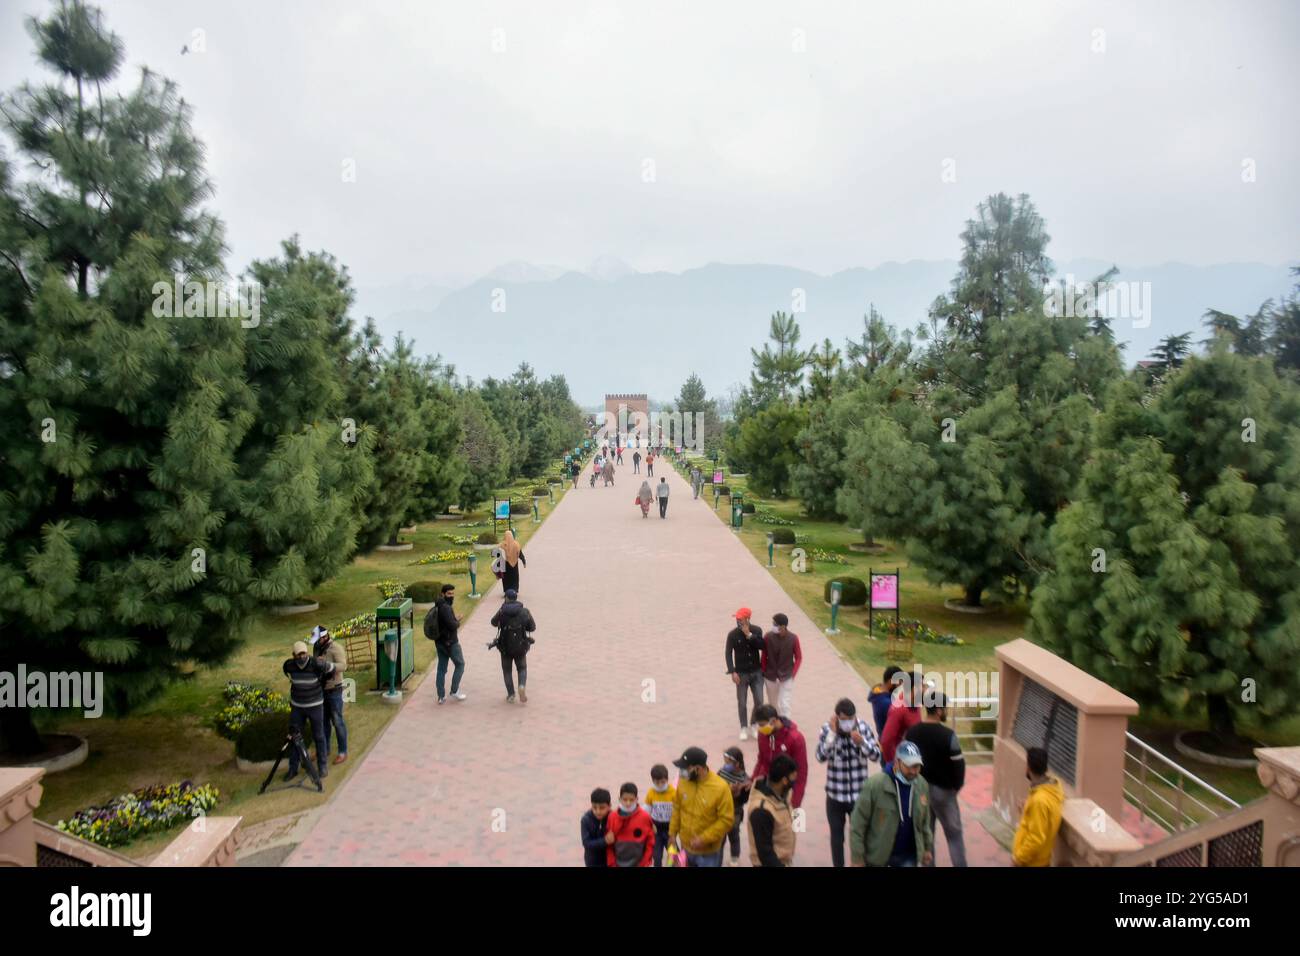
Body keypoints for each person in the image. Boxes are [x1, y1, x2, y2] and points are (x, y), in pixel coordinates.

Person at [816, 697, 881, 867]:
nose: (847, 724)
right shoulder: (827, 729)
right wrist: (832, 735)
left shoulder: (863, 728)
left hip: (859, 796)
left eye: (850, 719)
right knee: (837, 838)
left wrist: (862, 743)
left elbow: (876, 756)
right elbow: (820, 756)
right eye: (843, 720)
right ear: (836, 717)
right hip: (835, 795)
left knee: (860, 836)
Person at [849, 740, 933, 867]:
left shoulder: (922, 785)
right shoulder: (875, 785)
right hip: (879, 858)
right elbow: (857, 824)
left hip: (909, 858)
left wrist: (927, 847)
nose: (914, 771)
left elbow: (925, 821)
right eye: (909, 766)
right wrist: (857, 858)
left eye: (917, 766)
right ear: (897, 762)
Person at [906, 693, 967, 866]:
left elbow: (905, 763)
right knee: (954, 836)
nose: (946, 711)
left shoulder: (912, 733)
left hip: (920, 792)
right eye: (945, 708)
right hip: (944, 793)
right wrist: (956, 787)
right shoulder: (949, 735)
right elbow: (959, 766)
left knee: (927, 836)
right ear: (939, 710)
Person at [668, 746, 734, 867]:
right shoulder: (683, 782)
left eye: (685, 768)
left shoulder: (721, 788)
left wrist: (704, 839)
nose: (682, 772)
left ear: (697, 768)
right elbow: (677, 807)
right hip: (686, 848)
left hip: (708, 853)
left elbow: (726, 820)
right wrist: (672, 833)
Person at [282, 640, 335, 781]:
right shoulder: (289, 665)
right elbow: (286, 672)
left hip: (315, 706)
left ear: (307, 652)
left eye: (303, 653)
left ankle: (322, 766)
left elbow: (332, 669)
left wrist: (324, 669)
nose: (301, 656)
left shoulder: (315, 664)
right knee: (294, 737)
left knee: (319, 736)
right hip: (297, 707)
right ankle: (293, 768)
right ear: (293, 655)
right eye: (298, 654)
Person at [1012, 746, 1065, 867]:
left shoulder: (1039, 801)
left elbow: (1036, 838)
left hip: (1031, 863)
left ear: (1028, 768)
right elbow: (1043, 817)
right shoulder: (1054, 787)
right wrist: (1027, 808)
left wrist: (1017, 859)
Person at [750, 703, 808, 811]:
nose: (760, 729)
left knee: (796, 826)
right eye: (759, 725)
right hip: (769, 788)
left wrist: (795, 802)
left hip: (789, 790)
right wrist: (753, 780)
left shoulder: (796, 739)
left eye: (762, 725)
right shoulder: (763, 735)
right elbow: (761, 760)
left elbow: (801, 773)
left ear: (773, 721)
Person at [747, 753, 799, 867]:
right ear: (784, 781)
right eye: (794, 777)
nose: (796, 780)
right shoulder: (761, 811)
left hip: (784, 860)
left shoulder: (784, 793)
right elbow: (765, 854)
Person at [725, 608, 765, 740]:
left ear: (748, 619)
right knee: (742, 702)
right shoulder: (732, 634)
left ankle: (753, 724)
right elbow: (728, 653)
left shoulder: (757, 630)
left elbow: (761, 646)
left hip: (756, 672)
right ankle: (743, 727)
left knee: (759, 700)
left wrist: (749, 635)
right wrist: (732, 671)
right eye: (737, 619)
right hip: (741, 674)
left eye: (740, 619)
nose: (738, 621)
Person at [311, 626, 348, 766]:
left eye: (318, 639)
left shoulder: (335, 648)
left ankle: (343, 751)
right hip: (321, 689)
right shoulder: (316, 647)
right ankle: (324, 750)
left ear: (325, 637)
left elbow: (343, 666)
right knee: (323, 721)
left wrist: (327, 665)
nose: (317, 642)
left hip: (334, 690)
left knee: (337, 722)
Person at [490, 588, 536, 703]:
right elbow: (532, 627)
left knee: (507, 671)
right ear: (516, 598)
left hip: (505, 647)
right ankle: (521, 686)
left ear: (506, 598)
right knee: (522, 668)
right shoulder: (525, 611)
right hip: (521, 646)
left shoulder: (502, 612)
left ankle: (511, 695)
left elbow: (493, 622)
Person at [760, 613, 802, 718]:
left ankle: (786, 727)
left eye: (775, 624)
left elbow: (799, 657)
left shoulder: (793, 638)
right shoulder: (768, 637)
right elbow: (764, 655)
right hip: (770, 676)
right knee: (773, 704)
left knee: (784, 703)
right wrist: (763, 671)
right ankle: (775, 723)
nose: (773, 625)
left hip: (787, 676)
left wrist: (793, 674)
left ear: (783, 626)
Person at [432, 584, 467, 704]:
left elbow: (445, 622)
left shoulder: (438, 605)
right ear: (443, 594)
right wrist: (457, 620)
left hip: (440, 642)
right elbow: (452, 625)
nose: (451, 596)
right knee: (460, 664)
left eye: (452, 593)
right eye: (449, 594)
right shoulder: (446, 608)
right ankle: (454, 690)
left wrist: (453, 619)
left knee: (441, 669)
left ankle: (441, 696)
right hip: (450, 643)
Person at [880, 670, 923, 769]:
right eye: (923, 687)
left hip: (911, 759)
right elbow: (886, 740)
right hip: (900, 764)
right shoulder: (899, 709)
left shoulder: (915, 704)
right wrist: (893, 764)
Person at [605, 783, 655, 867]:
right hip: (617, 863)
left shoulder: (645, 817)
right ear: (619, 799)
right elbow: (609, 844)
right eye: (625, 799)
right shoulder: (612, 817)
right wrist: (612, 863)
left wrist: (645, 862)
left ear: (637, 799)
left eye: (631, 800)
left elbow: (650, 842)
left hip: (639, 864)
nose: (628, 803)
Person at [718, 747, 751, 867]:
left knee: (734, 836)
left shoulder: (744, 778)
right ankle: (718, 861)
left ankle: (734, 859)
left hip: (735, 812)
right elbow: (716, 785)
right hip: (721, 811)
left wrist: (739, 792)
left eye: (728, 762)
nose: (725, 765)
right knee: (720, 838)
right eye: (725, 761)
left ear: (737, 763)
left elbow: (745, 799)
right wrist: (727, 789)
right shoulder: (722, 771)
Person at [645, 764, 676, 867]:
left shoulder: (673, 792)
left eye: (663, 782)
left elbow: (678, 811)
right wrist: (650, 824)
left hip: (669, 828)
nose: (660, 785)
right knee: (657, 856)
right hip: (656, 829)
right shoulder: (651, 793)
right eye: (657, 782)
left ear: (667, 779)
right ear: (653, 781)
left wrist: (674, 830)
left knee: (672, 854)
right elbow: (646, 812)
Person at [868, 665, 904, 736]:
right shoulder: (885, 703)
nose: (900, 687)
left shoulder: (878, 692)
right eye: (899, 683)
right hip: (890, 741)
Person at [581, 788, 612, 867]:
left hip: (609, 860)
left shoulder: (613, 818)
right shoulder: (586, 820)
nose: (598, 811)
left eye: (602, 808)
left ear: (609, 806)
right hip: (592, 862)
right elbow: (586, 843)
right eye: (594, 807)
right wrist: (604, 841)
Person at [500, 529, 525, 595]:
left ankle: (506, 592)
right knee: (514, 578)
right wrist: (524, 561)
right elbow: (520, 554)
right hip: (514, 565)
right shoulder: (516, 544)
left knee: (506, 579)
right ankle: (515, 590)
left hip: (505, 566)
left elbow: (499, 556)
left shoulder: (502, 545)